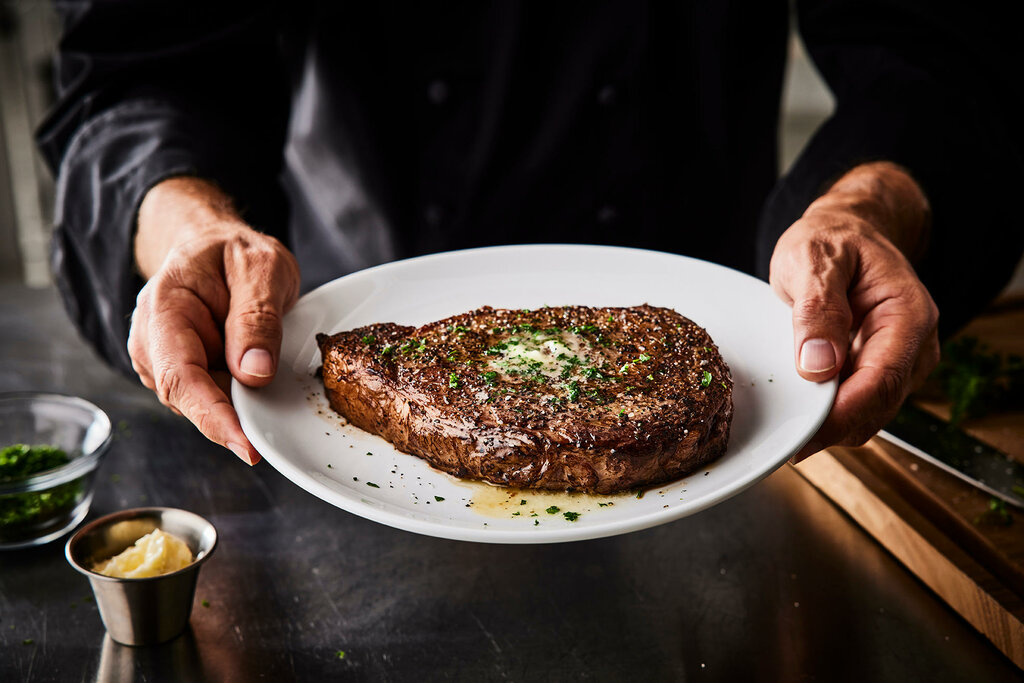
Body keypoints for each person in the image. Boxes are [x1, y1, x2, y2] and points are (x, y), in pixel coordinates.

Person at [37, 1, 1023, 466]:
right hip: (334, 357)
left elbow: (936, 46)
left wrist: (863, 208)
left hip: (737, 352)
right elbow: (143, 57)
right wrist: (186, 225)